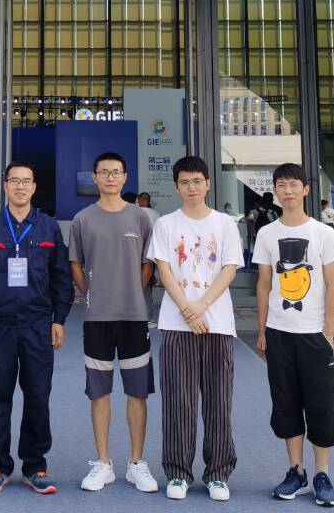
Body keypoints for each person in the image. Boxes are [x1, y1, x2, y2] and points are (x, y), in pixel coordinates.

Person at [0, 161, 73, 495]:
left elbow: (61, 278)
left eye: (27, 181)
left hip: (38, 325)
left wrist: (59, 319)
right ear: (5, 186)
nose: (21, 187)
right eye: (15, 181)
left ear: (34, 187)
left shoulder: (48, 228)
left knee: (38, 396)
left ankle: (35, 465)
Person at [147, 155, 243, 502]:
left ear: (208, 184)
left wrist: (201, 306)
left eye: (197, 181)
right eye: (185, 182)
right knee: (178, 401)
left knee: (218, 401)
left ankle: (218, 474)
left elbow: (229, 269)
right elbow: (163, 270)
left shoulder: (225, 224)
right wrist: (188, 311)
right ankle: (178, 472)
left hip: (217, 324)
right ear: (176, 187)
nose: (191, 188)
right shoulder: (166, 224)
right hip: (176, 325)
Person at [254, 163, 334, 508]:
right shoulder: (267, 234)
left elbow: (333, 285)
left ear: (306, 189)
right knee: (286, 403)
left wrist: (328, 332)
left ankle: (322, 473)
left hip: (314, 334)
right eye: (281, 185)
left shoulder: (323, 233)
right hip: (279, 332)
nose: (287, 191)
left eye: (294, 185)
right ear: (275, 190)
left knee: (321, 405)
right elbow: (264, 284)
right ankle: (296, 470)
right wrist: (262, 329)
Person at [69, 151, 158, 494]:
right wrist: (92, 293)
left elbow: (148, 263)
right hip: (97, 319)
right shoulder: (82, 219)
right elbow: (75, 263)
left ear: (125, 177)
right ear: (95, 177)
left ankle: (136, 463)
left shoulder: (141, 218)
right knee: (99, 391)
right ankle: (103, 463)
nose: (109, 177)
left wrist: (134, 290)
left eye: (115, 172)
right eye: (103, 172)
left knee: (137, 391)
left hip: (134, 317)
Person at [136, 192, 161, 326]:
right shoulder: (156, 214)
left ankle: (143, 317)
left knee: (142, 286)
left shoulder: (133, 212)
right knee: (146, 286)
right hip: (150, 255)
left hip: (137, 254)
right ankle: (146, 317)